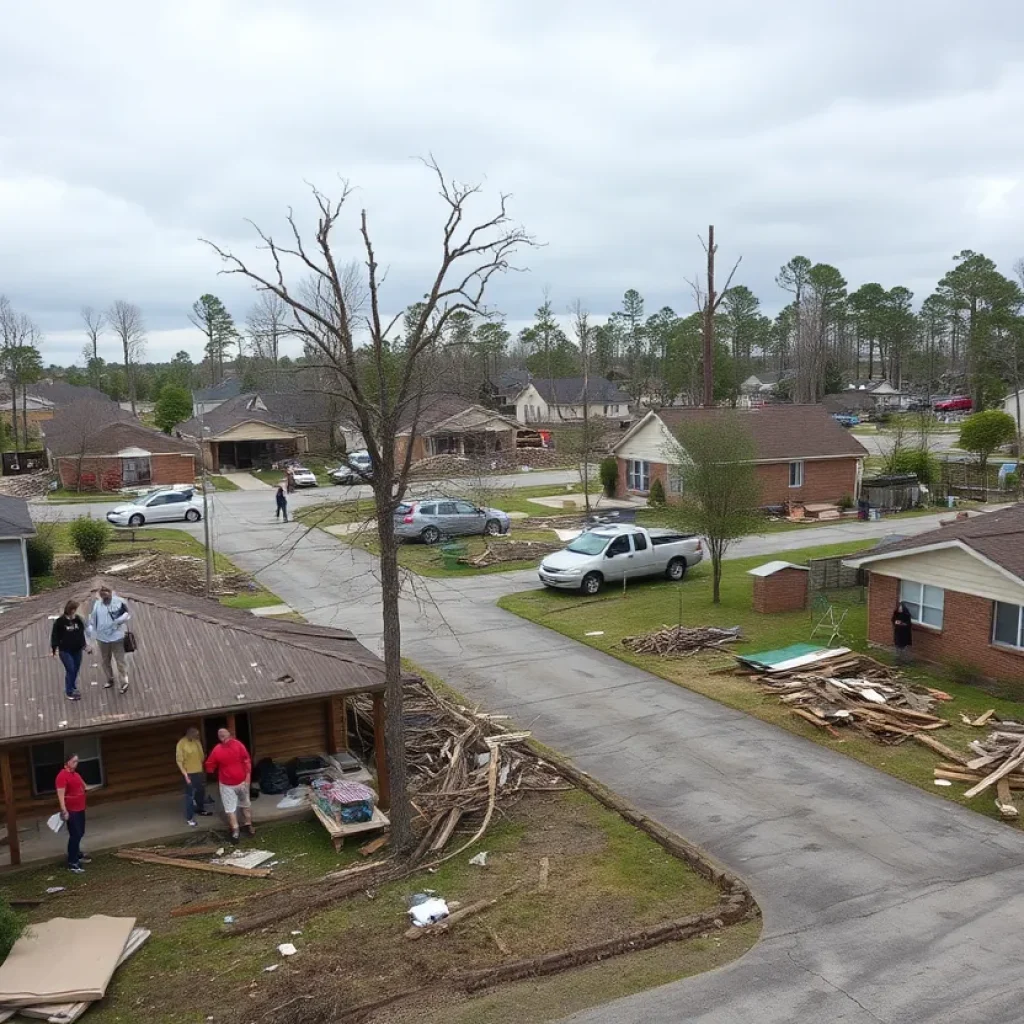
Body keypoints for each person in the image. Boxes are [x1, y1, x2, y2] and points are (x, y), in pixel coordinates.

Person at [204, 728, 254, 843]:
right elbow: (210, 765)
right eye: (220, 734)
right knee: (230, 809)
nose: (222, 735)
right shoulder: (217, 750)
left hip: (242, 782)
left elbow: (246, 760)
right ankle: (235, 831)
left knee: (245, 805)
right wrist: (210, 770)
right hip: (226, 785)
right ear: (219, 737)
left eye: (223, 733)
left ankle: (248, 825)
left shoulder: (238, 745)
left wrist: (247, 778)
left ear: (229, 734)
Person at [86, 586, 131, 694]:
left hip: (117, 638)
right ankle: (110, 679)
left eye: (106, 594)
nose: (104, 597)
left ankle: (124, 682)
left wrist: (117, 622)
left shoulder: (119, 603)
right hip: (102, 638)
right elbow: (93, 619)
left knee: (120, 661)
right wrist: (91, 635)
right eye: (102, 595)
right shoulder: (97, 605)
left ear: (110, 593)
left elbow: (127, 615)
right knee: (105, 661)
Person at [55, 754, 90, 873]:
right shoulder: (62, 776)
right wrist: (64, 810)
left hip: (80, 807)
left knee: (81, 832)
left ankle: (78, 854)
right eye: (74, 761)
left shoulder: (75, 774)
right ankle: (72, 862)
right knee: (75, 834)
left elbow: (84, 786)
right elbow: (60, 794)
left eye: (77, 761)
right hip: (71, 809)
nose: (76, 763)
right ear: (67, 762)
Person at [50, 600, 90, 701]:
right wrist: (54, 650)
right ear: (71, 610)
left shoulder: (78, 620)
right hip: (65, 650)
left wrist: (85, 646)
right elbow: (54, 636)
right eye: (74, 609)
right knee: (70, 669)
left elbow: (81, 634)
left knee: (75, 670)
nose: (75, 612)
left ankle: (72, 686)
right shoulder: (60, 622)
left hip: (77, 649)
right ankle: (69, 691)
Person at [176, 726, 212, 826]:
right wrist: (186, 775)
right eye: (195, 735)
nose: (197, 736)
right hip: (189, 773)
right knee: (190, 796)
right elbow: (179, 761)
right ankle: (189, 818)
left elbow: (201, 756)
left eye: (198, 735)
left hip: (199, 771)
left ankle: (200, 809)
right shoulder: (181, 744)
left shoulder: (197, 742)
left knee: (201, 792)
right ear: (189, 734)